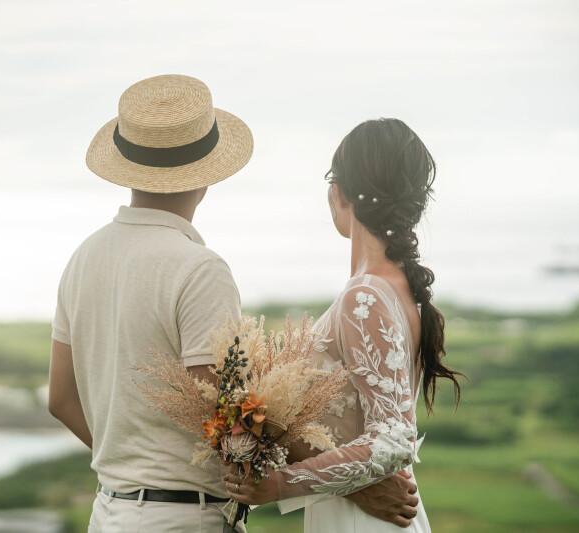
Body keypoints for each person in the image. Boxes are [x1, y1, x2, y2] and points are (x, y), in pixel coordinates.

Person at [48, 73, 428, 532]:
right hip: (184, 518)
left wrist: (130, 471)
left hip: (108, 512)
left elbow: (61, 399)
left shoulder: (81, 259)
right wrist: (358, 483)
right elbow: (233, 417)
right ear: (207, 172)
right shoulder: (198, 268)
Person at [225, 118, 463, 532]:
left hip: (360, 521)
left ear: (338, 194)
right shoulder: (398, 286)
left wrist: (279, 484)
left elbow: (393, 440)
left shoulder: (364, 297)